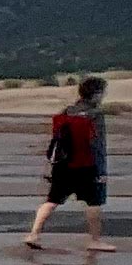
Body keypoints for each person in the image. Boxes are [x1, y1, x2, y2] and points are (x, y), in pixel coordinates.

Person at [26, 74, 112, 252]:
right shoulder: (95, 115)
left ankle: (34, 234)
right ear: (96, 94)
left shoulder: (66, 112)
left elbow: (57, 140)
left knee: (52, 200)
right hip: (87, 165)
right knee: (93, 203)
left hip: (62, 164)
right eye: (102, 92)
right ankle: (95, 240)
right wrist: (101, 170)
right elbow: (97, 144)